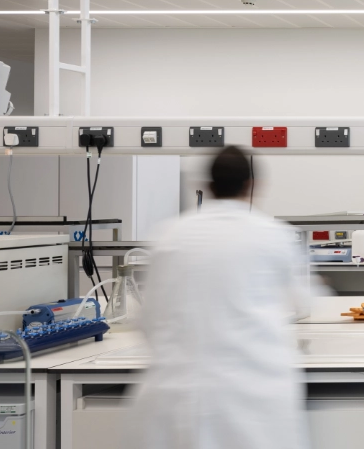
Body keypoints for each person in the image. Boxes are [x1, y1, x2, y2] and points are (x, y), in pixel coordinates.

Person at [130, 146, 309, 449]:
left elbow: (148, 321)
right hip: (256, 399)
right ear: (252, 186)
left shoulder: (169, 236)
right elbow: (303, 305)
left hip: (178, 398)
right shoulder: (274, 235)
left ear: (206, 187)